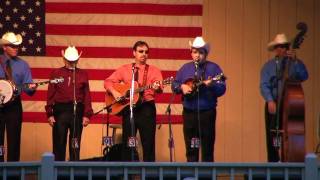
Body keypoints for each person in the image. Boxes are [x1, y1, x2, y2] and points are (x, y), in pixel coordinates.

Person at [104, 41, 163, 162]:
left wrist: (157, 87)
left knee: (148, 143)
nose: (144, 54)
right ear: (134, 53)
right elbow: (107, 82)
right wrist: (115, 93)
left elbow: (160, 89)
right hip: (129, 108)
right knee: (128, 142)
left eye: (146, 52)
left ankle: (149, 174)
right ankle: (127, 173)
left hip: (147, 108)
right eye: (141, 51)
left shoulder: (154, 70)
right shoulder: (125, 69)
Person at [172, 37, 226, 162]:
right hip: (189, 113)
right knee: (191, 147)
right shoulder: (185, 68)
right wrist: (182, 86)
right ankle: (191, 175)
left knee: (207, 147)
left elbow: (222, 89)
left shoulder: (214, 68)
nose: (197, 55)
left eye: (201, 52)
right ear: (191, 53)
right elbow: (174, 85)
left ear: (205, 54)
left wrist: (212, 85)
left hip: (207, 113)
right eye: (195, 52)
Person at [260, 33, 308, 162]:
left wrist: (296, 61)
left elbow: (304, 76)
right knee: (273, 135)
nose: (282, 49)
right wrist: (270, 100)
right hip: (274, 102)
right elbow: (264, 85)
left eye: (284, 46)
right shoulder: (268, 66)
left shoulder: (295, 63)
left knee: (290, 133)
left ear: (288, 48)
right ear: (275, 49)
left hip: (290, 103)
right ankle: (274, 163)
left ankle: (291, 161)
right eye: (279, 47)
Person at [45, 46, 93, 161]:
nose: (72, 63)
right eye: (69, 60)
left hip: (77, 111)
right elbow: (51, 94)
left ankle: (74, 171)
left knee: (75, 144)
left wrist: (87, 114)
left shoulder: (83, 74)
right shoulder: (56, 73)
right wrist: (49, 114)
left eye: (74, 61)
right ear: (64, 59)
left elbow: (87, 95)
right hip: (60, 110)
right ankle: (57, 172)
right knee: (59, 143)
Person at [0, 32, 36, 161]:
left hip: (14, 106)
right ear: (4, 47)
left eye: (17, 46)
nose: (16, 48)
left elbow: (28, 88)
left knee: (14, 141)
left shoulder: (23, 65)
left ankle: (12, 173)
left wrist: (31, 88)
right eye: (12, 46)